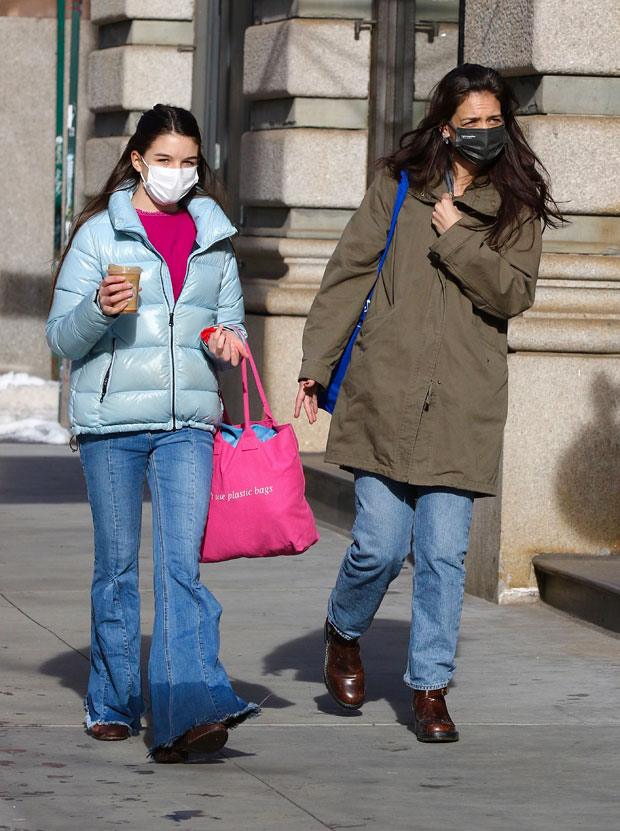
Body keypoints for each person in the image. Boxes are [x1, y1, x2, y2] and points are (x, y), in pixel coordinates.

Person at [294, 64, 563, 742]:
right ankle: (343, 628)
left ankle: (430, 688)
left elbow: (513, 294)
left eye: (492, 121)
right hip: (386, 389)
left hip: (463, 401)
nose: (483, 133)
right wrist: (315, 366)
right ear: (445, 125)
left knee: (443, 555)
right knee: (380, 548)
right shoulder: (399, 185)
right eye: (469, 122)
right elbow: (347, 274)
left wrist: (458, 236)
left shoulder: (518, 203)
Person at [47, 104, 260, 762]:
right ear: (138, 159)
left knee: (180, 569)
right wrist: (96, 309)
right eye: (164, 160)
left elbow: (232, 327)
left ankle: (184, 711)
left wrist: (227, 343)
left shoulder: (213, 238)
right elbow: (61, 336)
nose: (176, 173)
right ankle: (112, 699)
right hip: (112, 422)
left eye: (188, 161)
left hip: (186, 424)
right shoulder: (98, 235)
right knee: (116, 569)